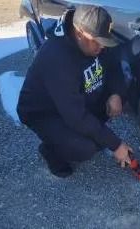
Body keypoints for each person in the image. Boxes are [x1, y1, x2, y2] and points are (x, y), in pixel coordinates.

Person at [17, 5, 134, 178]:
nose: (102, 46)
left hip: (76, 98)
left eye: (104, 40)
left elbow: (114, 65)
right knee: (85, 149)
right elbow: (75, 116)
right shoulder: (57, 59)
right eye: (97, 41)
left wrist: (116, 93)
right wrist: (115, 145)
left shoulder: (95, 39)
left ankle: (90, 134)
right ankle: (50, 150)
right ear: (80, 33)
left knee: (103, 119)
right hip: (45, 112)